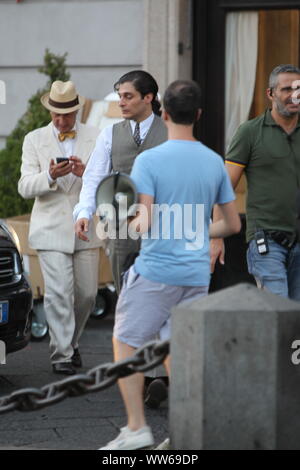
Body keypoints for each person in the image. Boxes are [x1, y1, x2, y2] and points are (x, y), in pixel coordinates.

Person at [98, 80, 241, 450]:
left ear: (163, 112)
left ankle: (136, 428)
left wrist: (121, 218)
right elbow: (232, 224)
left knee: (125, 342)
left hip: (156, 270)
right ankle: (185, 434)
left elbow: (142, 222)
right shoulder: (212, 161)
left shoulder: (150, 159)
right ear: (198, 115)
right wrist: (195, 228)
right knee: (180, 351)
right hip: (195, 274)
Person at [73, 70, 168, 406]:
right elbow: (95, 177)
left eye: (127, 96)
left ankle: (159, 375)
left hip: (162, 229)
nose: (121, 102)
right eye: (119, 95)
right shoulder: (110, 134)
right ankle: (137, 372)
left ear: (149, 97)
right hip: (119, 229)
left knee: (160, 298)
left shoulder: (171, 132)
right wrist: (84, 212)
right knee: (128, 302)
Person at [18, 80, 101, 375]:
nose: (61, 120)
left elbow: (109, 180)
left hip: (87, 228)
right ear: (50, 111)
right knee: (59, 294)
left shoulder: (97, 135)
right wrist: (49, 176)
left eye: (67, 115)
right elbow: (24, 186)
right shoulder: (33, 139)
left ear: (76, 111)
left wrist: (85, 172)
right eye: (56, 114)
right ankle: (62, 354)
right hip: (51, 228)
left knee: (88, 294)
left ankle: (71, 342)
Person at [213, 64, 300, 300]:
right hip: (267, 240)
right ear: (270, 94)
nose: (295, 94)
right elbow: (224, 187)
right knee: (278, 311)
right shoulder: (250, 132)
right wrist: (216, 236)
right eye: (286, 89)